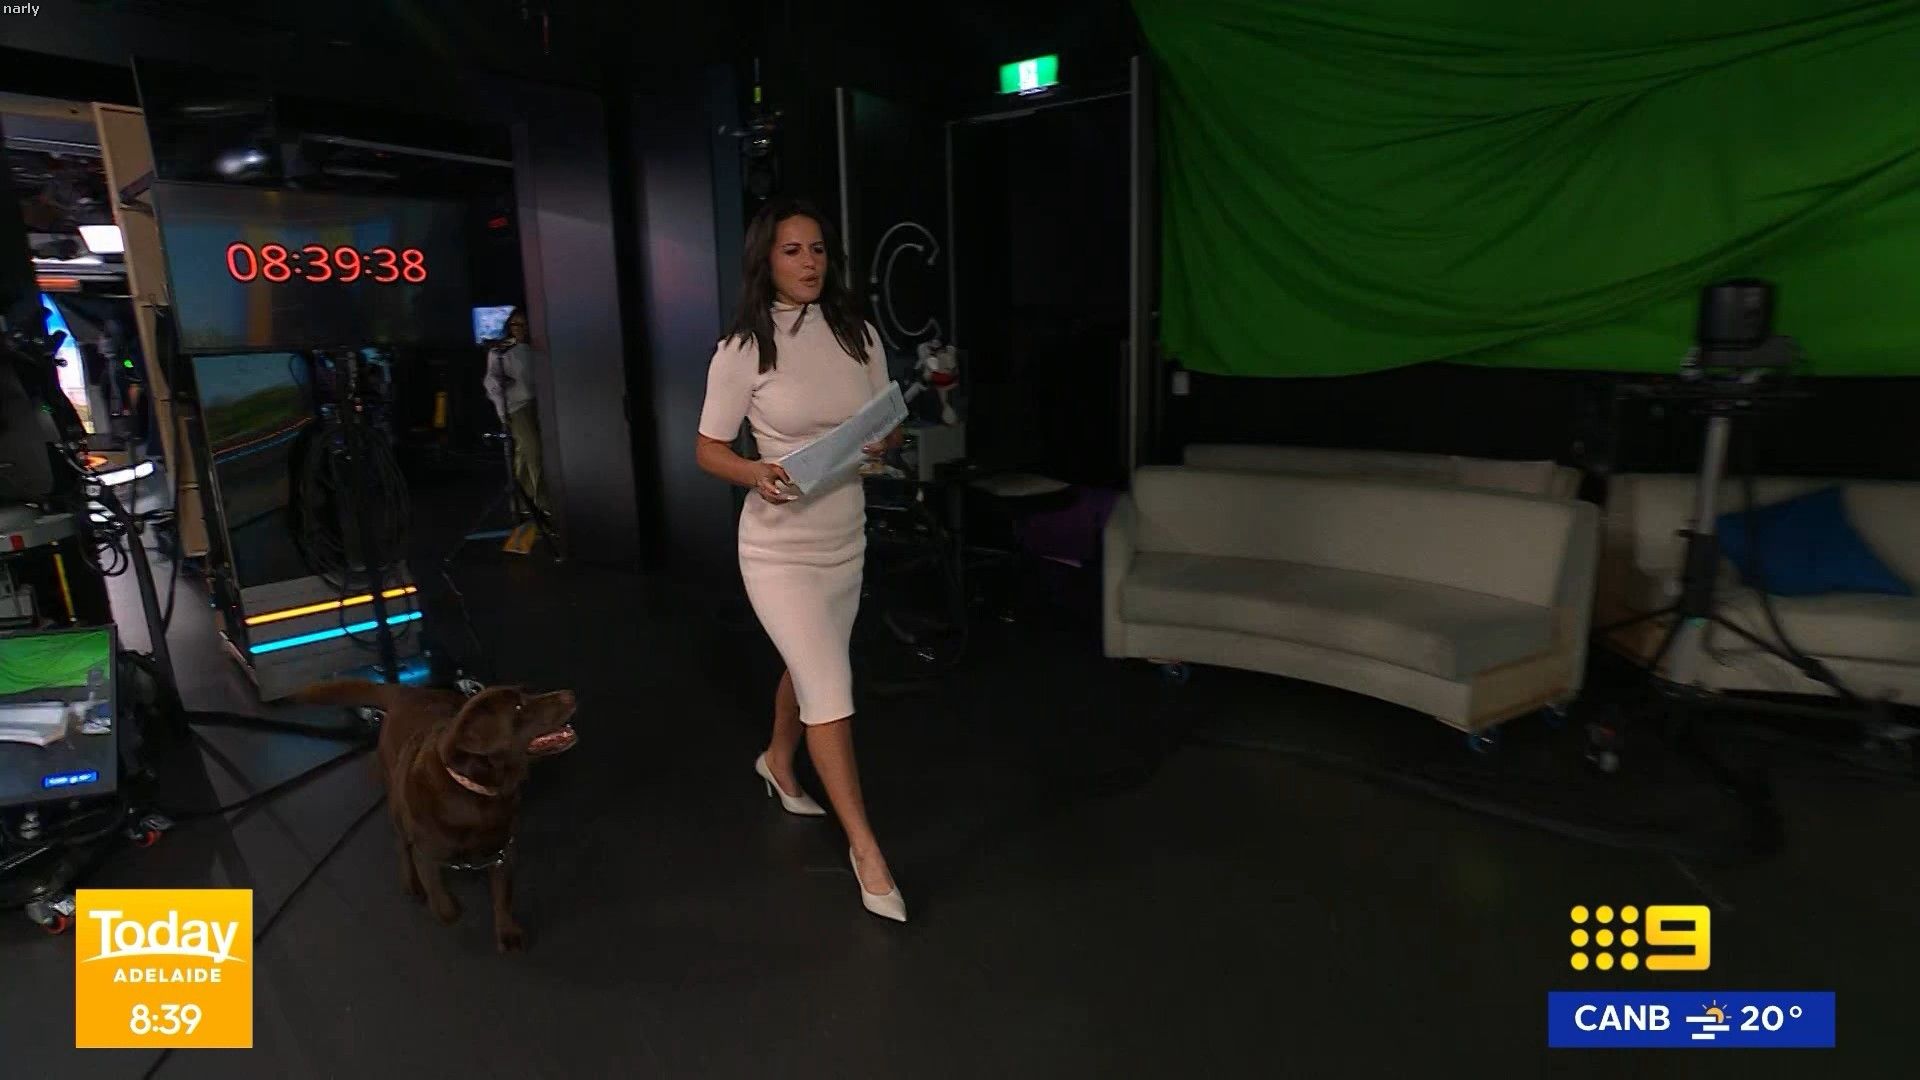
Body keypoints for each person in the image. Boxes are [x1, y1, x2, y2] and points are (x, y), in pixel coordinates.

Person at [695, 197, 906, 923]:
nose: (809, 262)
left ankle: (778, 761)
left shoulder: (858, 333)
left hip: (845, 537)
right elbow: (708, 450)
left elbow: (888, 423)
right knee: (829, 687)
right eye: (792, 250)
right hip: (779, 549)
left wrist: (885, 442)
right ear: (766, 260)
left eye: (817, 249)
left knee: (810, 666)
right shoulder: (744, 347)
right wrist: (756, 472)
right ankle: (866, 850)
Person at [482, 307, 550, 520]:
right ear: (509, 327)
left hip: (538, 404)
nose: (520, 328)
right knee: (533, 451)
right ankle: (540, 501)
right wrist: (503, 410)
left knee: (525, 452)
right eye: (515, 324)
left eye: (524, 324)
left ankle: (523, 502)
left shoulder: (535, 348)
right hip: (517, 406)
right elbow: (491, 382)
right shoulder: (501, 351)